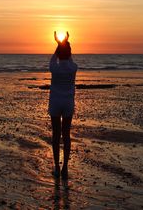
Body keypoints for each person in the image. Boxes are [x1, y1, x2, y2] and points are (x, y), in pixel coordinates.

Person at [49, 31, 78, 179]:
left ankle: (56, 167)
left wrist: (58, 44)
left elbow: (53, 59)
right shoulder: (74, 68)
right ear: (70, 53)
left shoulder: (55, 67)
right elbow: (69, 58)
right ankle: (65, 168)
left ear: (59, 53)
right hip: (67, 103)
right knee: (66, 135)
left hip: (55, 102)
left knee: (56, 135)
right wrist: (64, 44)